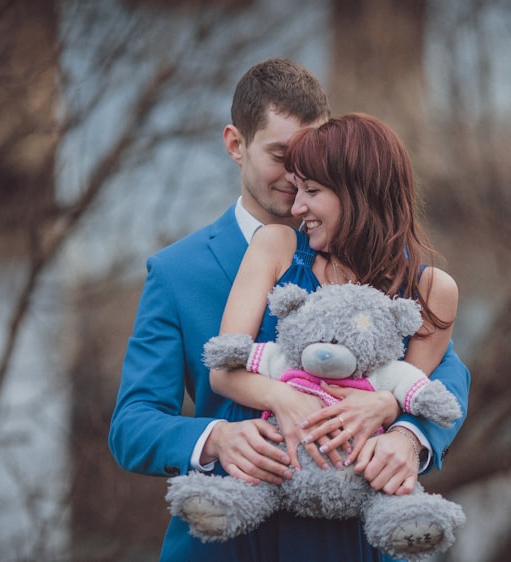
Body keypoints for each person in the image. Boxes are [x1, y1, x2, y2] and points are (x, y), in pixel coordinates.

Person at [108, 59, 470, 561]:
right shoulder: (177, 272)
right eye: (282, 156)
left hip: (351, 544)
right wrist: (216, 438)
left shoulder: (383, 261)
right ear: (236, 144)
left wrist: (407, 435)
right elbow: (132, 424)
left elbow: (445, 375)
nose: (296, 179)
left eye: (313, 167)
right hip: (232, 544)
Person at [210, 113, 461, 499]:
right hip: (271, 486)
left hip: (355, 502)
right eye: (297, 191)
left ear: (359, 192)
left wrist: (387, 407)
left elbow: (407, 392)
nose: (296, 209)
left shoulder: (430, 290)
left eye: (311, 192)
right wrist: (285, 397)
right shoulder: (275, 248)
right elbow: (222, 372)